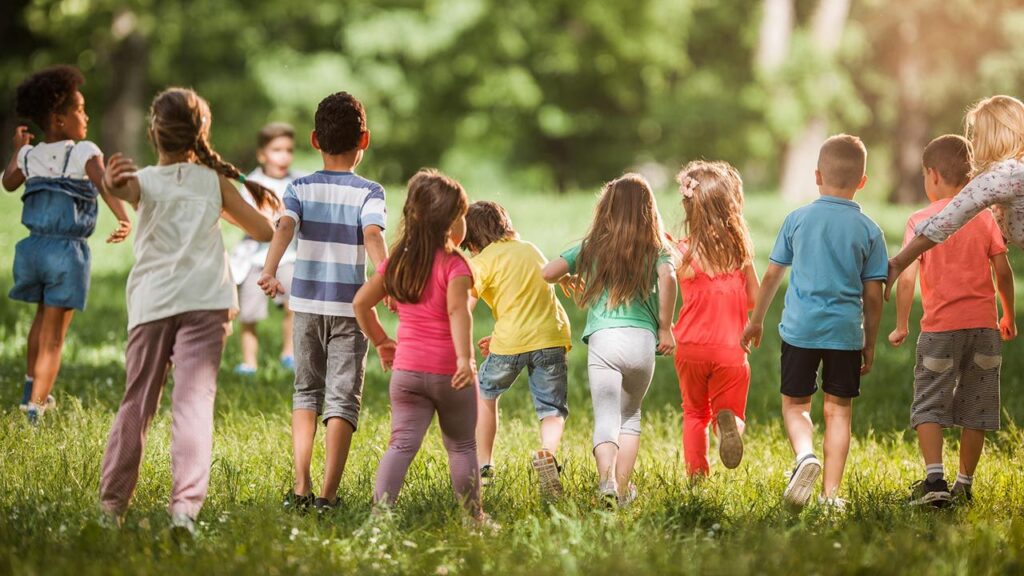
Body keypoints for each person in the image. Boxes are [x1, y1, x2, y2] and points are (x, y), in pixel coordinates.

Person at [98, 87, 276, 536]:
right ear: (201, 133)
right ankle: (184, 513)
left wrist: (111, 184)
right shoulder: (212, 182)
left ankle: (110, 509)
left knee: (137, 403)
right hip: (207, 303)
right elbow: (261, 229)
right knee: (193, 405)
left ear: (154, 131)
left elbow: (123, 188)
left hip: (153, 304)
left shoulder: (145, 181)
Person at [259, 92, 388, 514]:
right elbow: (372, 236)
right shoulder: (370, 191)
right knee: (342, 398)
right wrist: (389, 279)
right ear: (364, 140)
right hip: (350, 311)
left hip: (306, 305)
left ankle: (301, 485)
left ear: (314, 140)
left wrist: (269, 269)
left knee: (306, 391)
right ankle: (328, 496)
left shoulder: (299, 186)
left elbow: (285, 226)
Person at [741, 134, 886, 510]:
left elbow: (772, 276)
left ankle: (805, 456)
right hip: (844, 333)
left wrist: (756, 320)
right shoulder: (870, 231)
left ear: (817, 175)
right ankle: (830, 495)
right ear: (863, 181)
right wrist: (869, 341)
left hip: (800, 330)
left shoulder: (797, 219)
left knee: (796, 405)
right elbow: (873, 296)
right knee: (838, 412)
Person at [353, 169, 491, 525]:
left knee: (400, 445)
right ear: (450, 223)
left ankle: (379, 517)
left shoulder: (396, 263)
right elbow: (458, 311)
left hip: (407, 372)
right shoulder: (455, 264)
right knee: (461, 446)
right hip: (450, 373)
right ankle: (473, 518)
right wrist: (465, 359)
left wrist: (383, 342)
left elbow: (360, 304)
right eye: (461, 216)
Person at [889, 134, 1016, 507]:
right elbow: (1003, 271)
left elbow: (907, 276)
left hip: (941, 329)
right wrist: (1007, 313)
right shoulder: (983, 218)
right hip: (983, 328)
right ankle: (965, 484)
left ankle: (934, 483)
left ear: (932, 175)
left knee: (929, 401)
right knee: (977, 405)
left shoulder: (920, 220)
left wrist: (901, 325)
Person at [1, 65, 132, 423]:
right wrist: (123, 216)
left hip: (31, 251)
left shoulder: (30, 155)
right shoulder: (84, 150)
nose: (85, 116)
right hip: (65, 253)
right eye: (79, 109)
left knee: (39, 321)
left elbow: (9, 183)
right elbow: (104, 183)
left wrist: (18, 150)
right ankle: (35, 410)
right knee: (55, 337)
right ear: (59, 119)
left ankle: (30, 391)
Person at [541, 173, 677, 508]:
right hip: (642, 340)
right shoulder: (658, 248)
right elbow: (670, 278)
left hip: (604, 340)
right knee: (630, 415)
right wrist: (665, 327)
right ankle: (623, 490)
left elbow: (547, 273)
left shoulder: (593, 245)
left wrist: (571, 275)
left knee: (606, 416)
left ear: (607, 209)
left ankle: (606, 482)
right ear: (649, 210)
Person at [460, 200, 572, 498]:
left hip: (510, 342)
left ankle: (484, 466)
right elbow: (542, 284)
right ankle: (547, 453)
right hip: (550, 337)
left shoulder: (479, 262)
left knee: (486, 393)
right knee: (552, 408)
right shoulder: (529, 248)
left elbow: (466, 305)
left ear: (471, 241)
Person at [672, 161, 759, 477]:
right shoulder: (739, 252)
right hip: (730, 349)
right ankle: (730, 426)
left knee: (694, 413)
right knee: (731, 408)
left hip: (690, 346)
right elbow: (754, 298)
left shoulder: (681, 252)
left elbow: (663, 282)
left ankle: (697, 475)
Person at [888, 95, 1024, 293]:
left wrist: (898, 263)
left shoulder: (999, 177)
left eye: (977, 135)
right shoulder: (1013, 173)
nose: (973, 142)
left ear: (993, 136)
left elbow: (944, 222)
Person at [231, 122, 304, 374]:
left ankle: (289, 352)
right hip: (255, 258)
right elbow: (246, 220)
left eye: (288, 150)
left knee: (295, 303)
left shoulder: (298, 182)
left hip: (290, 256)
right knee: (249, 314)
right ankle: (249, 362)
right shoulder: (252, 183)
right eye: (276, 150)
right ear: (262, 154)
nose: (284, 156)